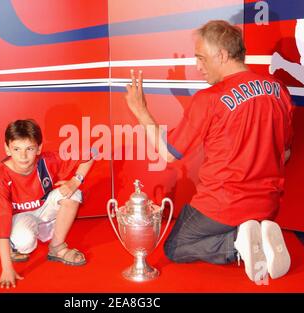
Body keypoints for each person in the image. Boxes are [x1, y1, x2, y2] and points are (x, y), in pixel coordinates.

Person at [124, 20, 293, 283]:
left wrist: (140, 110)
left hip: (221, 207)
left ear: (222, 55)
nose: (198, 66)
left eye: (201, 58)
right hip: (267, 206)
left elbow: (169, 154)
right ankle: (254, 233)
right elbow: (285, 154)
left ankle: (238, 242)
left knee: (174, 248)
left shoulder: (209, 98)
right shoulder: (278, 91)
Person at [0, 119, 94, 289]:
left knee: (73, 194)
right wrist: (6, 268)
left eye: (29, 149)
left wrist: (76, 181)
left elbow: (92, 152)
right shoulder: (3, 177)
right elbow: (2, 222)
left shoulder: (48, 160)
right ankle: (15, 247)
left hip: (45, 208)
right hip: (22, 217)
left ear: (39, 148)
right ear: (7, 148)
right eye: (17, 149)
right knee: (24, 242)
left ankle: (56, 247)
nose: (23, 156)